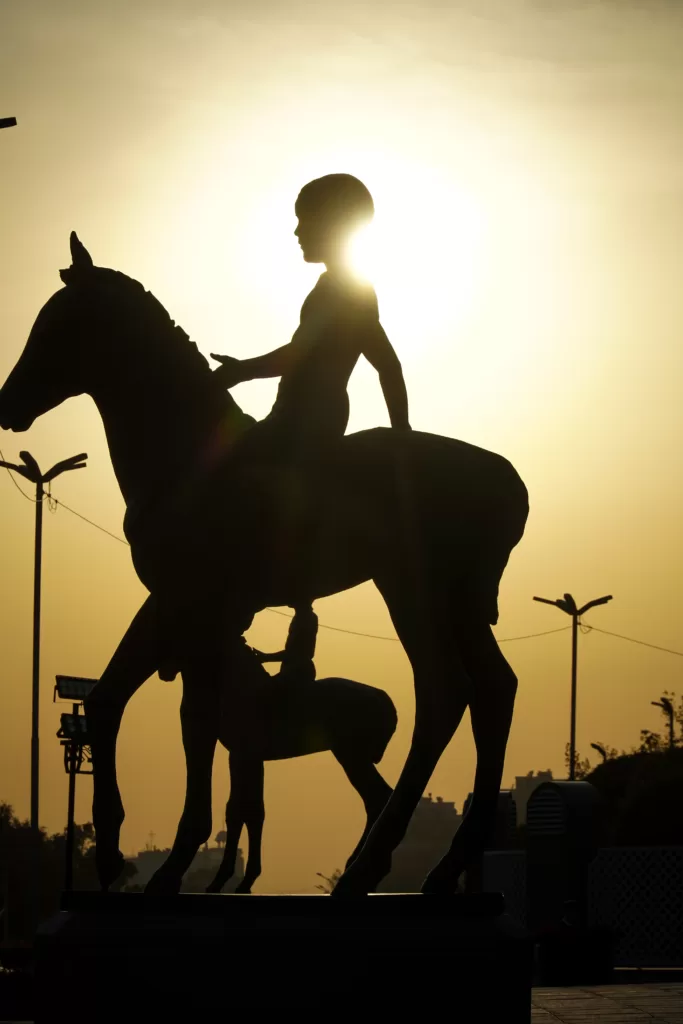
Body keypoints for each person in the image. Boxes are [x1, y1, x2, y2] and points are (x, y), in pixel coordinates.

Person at [211, 173, 411, 467]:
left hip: (303, 423)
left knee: (229, 463)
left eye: (304, 220)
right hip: (305, 417)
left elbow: (298, 355)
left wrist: (242, 370)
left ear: (331, 224)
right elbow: (388, 365)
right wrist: (402, 432)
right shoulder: (347, 287)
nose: (296, 232)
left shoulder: (341, 290)